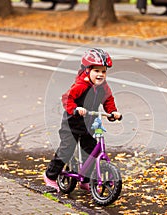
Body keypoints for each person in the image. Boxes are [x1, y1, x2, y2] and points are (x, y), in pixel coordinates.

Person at [43, 48, 122, 192]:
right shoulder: (81, 85)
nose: (100, 75)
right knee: (67, 149)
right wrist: (75, 109)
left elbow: (108, 100)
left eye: (103, 71)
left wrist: (113, 112)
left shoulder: (104, 87)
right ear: (87, 70)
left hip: (90, 124)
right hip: (73, 123)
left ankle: (85, 180)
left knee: (91, 151)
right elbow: (67, 98)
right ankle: (50, 176)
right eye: (96, 71)